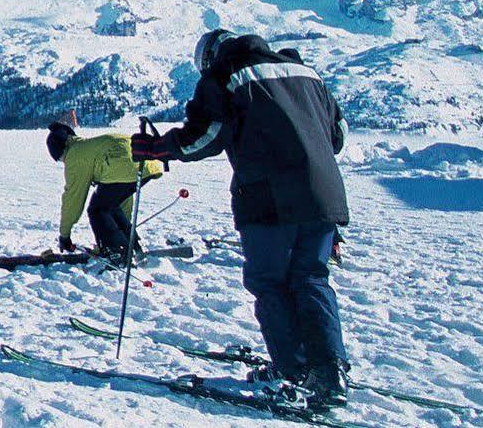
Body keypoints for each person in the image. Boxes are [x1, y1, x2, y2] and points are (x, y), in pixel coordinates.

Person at [134, 28, 351, 408]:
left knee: (270, 282)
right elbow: (338, 136)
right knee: (312, 277)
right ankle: (330, 370)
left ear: (209, 58)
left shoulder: (226, 75)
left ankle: (293, 372)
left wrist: (158, 148)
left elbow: (205, 135)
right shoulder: (305, 72)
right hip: (324, 195)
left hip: (269, 198)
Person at [45, 119, 159, 260]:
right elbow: (122, 199)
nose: (64, 163)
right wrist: (122, 233)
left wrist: (64, 235)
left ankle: (117, 252)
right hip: (147, 164)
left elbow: (73, 199)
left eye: (61, 160)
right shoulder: (91, 147)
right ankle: (132, 246)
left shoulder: (75, 155)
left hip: (125, 166)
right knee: (110, 205)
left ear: (61, 152)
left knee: (97, 210)